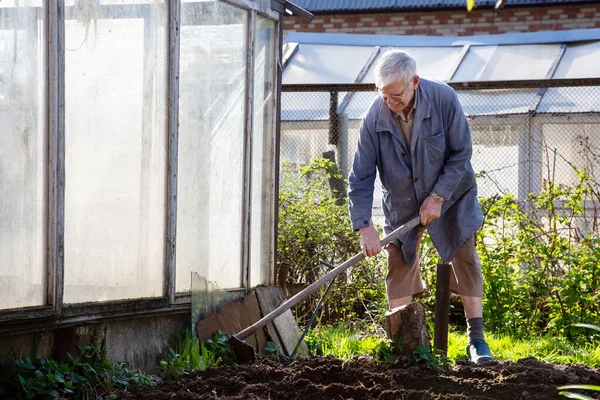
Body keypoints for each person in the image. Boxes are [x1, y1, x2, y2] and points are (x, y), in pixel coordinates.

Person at [347, 50, 494, 364]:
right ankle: (403, 346)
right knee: (398, 264)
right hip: (402, 203)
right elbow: (360, 177)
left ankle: (477, 341)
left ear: (414, 82)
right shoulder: (374, 117)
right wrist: (364, 226)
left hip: (452, 197)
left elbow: (461, 155)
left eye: (395, 94)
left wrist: (438, 197)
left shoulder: (443, 100)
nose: (389, 102)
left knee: (464, 256)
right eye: (383, 94)